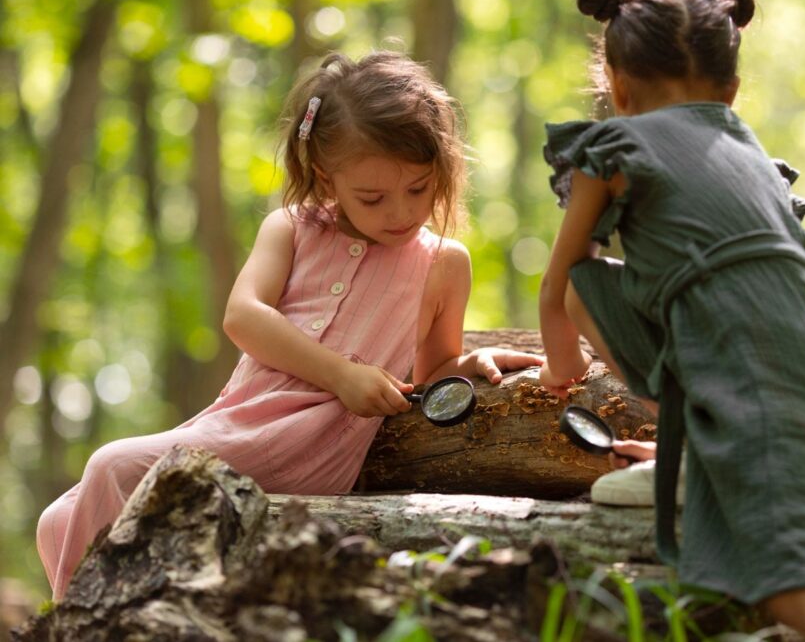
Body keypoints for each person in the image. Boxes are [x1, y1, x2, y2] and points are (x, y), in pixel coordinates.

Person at [37, 51, 543, 601]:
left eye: (418, 190)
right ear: (327, 175)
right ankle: (112, 618)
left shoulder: (444, 263)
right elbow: (243, 316)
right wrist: (342, 373)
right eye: (372, 197)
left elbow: (431, 368)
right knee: (55, 522)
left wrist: (469, 363)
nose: (400, 212)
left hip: (309, 443)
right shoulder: (292, 229)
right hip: (238, 421)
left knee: (112, 465)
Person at [537, 0, 805, 642]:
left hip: (754, 380)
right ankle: (698, 459)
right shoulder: (746, 149)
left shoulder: (615, 146)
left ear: (616, 86)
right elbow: (735, 295)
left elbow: (561, 280)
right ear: (731, 91)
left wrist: (558, 372)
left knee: (795, 585)